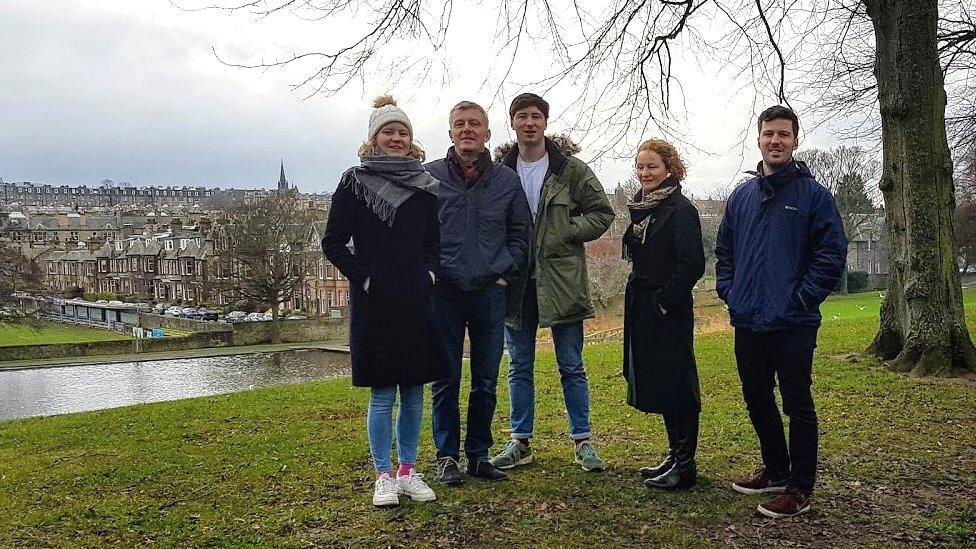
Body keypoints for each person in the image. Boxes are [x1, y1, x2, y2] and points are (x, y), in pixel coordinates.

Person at [716, 105, 847, 518]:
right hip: (749, 318)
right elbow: (724, 252)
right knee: (756, 396)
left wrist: (802, 298)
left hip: (794, 321)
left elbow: (831, 254)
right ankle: (775, 469)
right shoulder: (741, 197)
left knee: (797, 403)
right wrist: (730, 292)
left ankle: (799, 487)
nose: (776, 141)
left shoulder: (814, 197)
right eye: (769, 133)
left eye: (784, 135)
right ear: (758, 138)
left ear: (795, 141)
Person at [321, 95, 446, 508]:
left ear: (412, 140)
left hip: (416, 298)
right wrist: (365, 276)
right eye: (388, 131)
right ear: (373, 138)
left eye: (403, 132)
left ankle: (409, 471)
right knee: (382, 392)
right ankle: (384, 475)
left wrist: (429, 275)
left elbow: (434, 244)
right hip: (375, 300)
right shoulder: (354, 183)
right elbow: (333, 242)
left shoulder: (427, 187)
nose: (396, 138)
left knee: (414, 389)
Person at [492, 93, 615, 472]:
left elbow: (602, 212)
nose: (530, 123)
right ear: (512, 122)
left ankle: (583, 441)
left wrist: (565, 230)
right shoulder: (500, 171)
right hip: (517, 281)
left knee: (571, 363)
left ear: (545, 121)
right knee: (519, 365)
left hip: (562, 279)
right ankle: (520, 441)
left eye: (536, 116)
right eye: (522, 116)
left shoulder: (570, 170)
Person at [426, 101, 532, 484]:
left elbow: (521, 234)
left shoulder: (505, 180)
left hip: (489, 291)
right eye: (459, 124)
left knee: (486, 379)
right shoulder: (430, 177)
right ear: (450, 133)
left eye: (475, 124)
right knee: (445, 377)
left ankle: (478, 454)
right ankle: (446, 457)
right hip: (444, 293)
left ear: (487, 133)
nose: (467, 129)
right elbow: (416, 233)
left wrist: (505, 272)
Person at [622, 139, 705, 490]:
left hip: (668, 310)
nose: (645, 173)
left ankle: (686, 465)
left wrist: (664, 301)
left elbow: (692, 264)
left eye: (652, 166)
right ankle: (675, 454)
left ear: (669, 168)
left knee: (677, 384)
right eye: (640, 167)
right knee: (659, 381)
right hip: (644, 306)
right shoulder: (644, 208)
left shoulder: (680, 209)